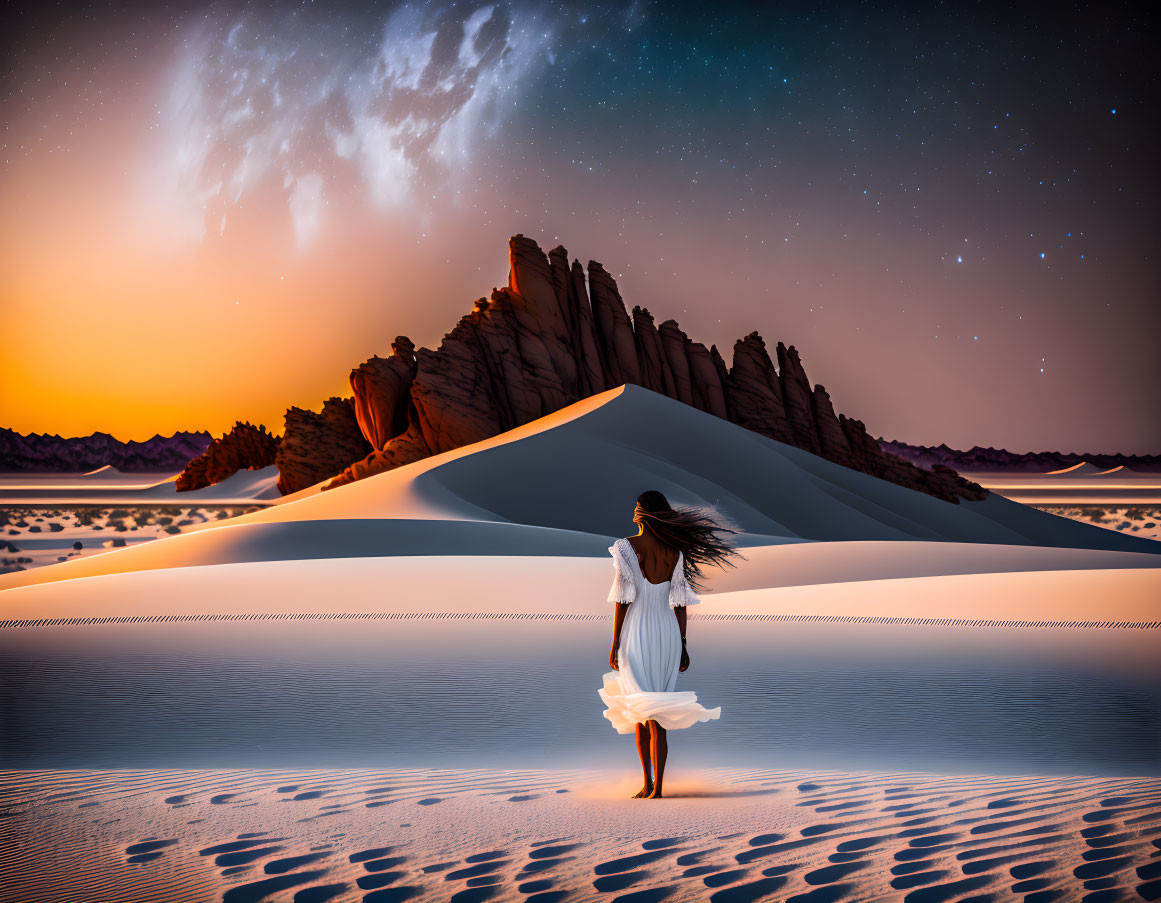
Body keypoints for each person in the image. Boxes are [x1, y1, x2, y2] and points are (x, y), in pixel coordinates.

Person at [598, 490, 744, 799]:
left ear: (640, 514)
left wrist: (614, 643)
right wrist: (683, 643)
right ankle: (657, 787)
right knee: (653, 710)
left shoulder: (625, 547)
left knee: (641, 709)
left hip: (636, 630)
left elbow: (623, 599)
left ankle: (649, 784)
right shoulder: (675, 552)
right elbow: (680, 604)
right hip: (665, 634)